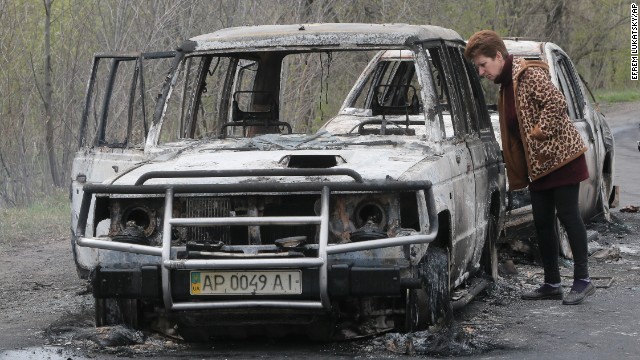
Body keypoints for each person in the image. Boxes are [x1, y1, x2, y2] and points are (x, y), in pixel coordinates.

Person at [464, 30, 595, 305]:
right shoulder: (506, 85)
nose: (481, 71)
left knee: (569, 217)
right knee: (543, 222)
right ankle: (552, 283)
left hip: (562, 159)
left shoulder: (527, 74)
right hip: (540, 166)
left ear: (498, 56)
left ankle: (583, 281)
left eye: (483, 64)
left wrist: (538, 133)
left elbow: (557, 104)